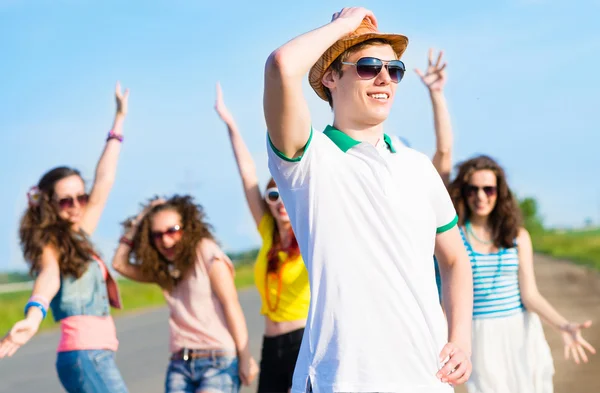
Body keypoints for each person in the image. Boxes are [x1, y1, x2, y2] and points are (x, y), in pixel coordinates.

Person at [262, 7, 474, 393]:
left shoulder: (417, 166)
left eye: (394, 70)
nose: (384, 78)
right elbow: (281, 65)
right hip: (339, 379)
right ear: (330, 76)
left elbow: (456, 259)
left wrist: (461, 338)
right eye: (367, 66)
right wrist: (343, 26)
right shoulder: (309, 160)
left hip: (425, 378)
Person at [0, 83, 130, 393]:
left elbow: (104, 181)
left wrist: (119, 119)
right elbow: (49, 276)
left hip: (96, 354)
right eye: (65, 201)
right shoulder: (52, 243)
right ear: (49, 205)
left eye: (80, 198)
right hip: (86, 355)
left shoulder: (79, 235)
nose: (76, 206)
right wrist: (34, 316)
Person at [447, 155, 596, 393]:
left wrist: (564, 325)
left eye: (489, 189)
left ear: (500, 192)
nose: (481, 196)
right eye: (472, 189)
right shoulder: (454, 237)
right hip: (481, 335)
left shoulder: (518, 236)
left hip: (521, 331)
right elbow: (446, 294)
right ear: (463, 192)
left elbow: (530, 295)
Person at [215, 82, 310, 393]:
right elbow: (247, 175)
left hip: (304, 343)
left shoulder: (311, 232)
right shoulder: (268, 232)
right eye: (273, 195)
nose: (280, 201)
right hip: (271, 343)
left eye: (285, 193)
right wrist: (231, 124)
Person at [111, 196, 259, 393]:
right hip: (179, 365)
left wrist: (245, 357)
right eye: (157, 235)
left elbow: (230, 304)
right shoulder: (163, 270)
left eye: (172, 231)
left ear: (187, 228)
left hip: (218, 361)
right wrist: (140, 220)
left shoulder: (205, 251)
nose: (165, 240)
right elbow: (119, 264)